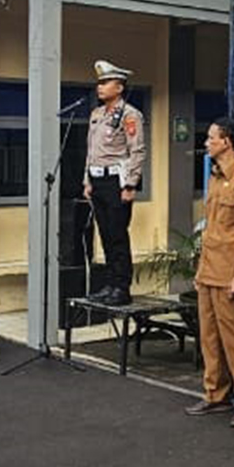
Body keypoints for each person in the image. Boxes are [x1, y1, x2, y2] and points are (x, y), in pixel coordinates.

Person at [185, 117, 234, 428]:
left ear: (227, 141)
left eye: (211, 138)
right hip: (209, 270)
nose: (206, 143)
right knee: (209, 338)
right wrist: (200, 268)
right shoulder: (216, 178)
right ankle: (215, 393)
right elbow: (212, 229)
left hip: (230, 271)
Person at [82, 60, 146, 307]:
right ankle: (110, 284)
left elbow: (137, 151)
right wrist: (87, 180)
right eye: (99, 82)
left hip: (116, 181)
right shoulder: (96, 114)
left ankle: (122, 287)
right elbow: (91, 150)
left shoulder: (130, 115)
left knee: (118, 234)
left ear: (119, 87)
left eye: (105, 82)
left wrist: (130, 185)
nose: (100, 87)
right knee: (105, 234)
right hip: (97, 179)